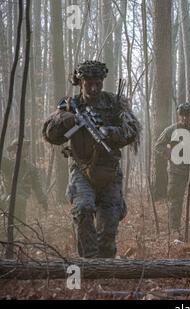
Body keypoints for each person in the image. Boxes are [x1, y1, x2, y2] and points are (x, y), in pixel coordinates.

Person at [42, 60, 140, 258]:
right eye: (89, 84)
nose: (94, 88)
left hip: (110, 171)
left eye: (98, 83)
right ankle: (89, 264)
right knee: (84, 209)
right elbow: (49, 135)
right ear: (80, 82)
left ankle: (106, 268)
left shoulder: (114, 102)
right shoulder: (69, 105)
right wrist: (67, 120)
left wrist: (111, 132)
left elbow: (133, 131)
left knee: (109, 224)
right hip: (81, 170)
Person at [154, 103, 190, 237]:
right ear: (179, 115)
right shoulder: (171, 130)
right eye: (183, 115)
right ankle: (175, 228)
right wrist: (170, 155)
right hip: (177, 170)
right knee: (175, 199)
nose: (185, 118)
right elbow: (158, 146)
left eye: (188, 116)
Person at [0, 139, 47, 238]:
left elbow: (37, 186)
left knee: (19, 227)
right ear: (15, 150)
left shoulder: (31, 168)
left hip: (20, 201)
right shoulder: (7, 164)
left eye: (26, 148)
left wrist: (42, 200)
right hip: (5, 199)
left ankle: (17, 241)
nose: (25, 150)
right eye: (23, 148)